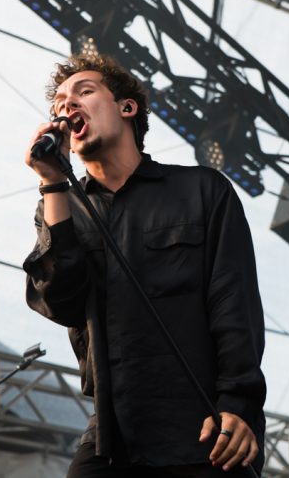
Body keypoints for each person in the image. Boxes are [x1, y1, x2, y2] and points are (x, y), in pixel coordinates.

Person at [23, 54, 266, 477]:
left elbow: (234, 301)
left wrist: (238, 404)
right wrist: (52, 182)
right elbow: (60, 303)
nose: (67, 105)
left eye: (84, 91)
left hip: (205, 427)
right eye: (59, 103)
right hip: (112, 435)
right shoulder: (61, 206)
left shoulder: (201, 190)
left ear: (127, 107)